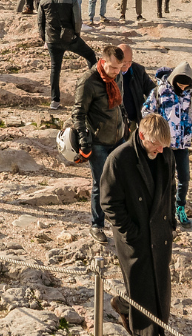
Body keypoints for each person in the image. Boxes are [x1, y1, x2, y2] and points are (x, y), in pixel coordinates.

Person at [100, 115, 177, 336]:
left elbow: (170, 188)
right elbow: (108, 202)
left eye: (164, 145)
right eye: (156, 144)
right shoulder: (119, 159)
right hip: (135, 237)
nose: (160, 150)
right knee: (142, 289)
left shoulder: (166, 154)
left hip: (160, 234)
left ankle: (128, 307)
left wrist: (171, 222)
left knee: (160, 291)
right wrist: (130, 232)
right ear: (142, 136)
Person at [72, 43, 128, 240]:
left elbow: (119, 105)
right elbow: (78, 113)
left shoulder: (118, 76)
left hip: (119, 137)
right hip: (98, 142)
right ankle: (97, 225)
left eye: (119, 68)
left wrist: (126, 127)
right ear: (102, 62)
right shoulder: (88, 81)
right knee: (101, 183)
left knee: (121, 180)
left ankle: (118, 219)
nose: (115, 72)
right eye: (112, 67)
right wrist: (83, 141)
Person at [143, 62, 192, 224]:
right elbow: (146, 112)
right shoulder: (159, 92)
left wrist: (190, 133)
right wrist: (156, 131)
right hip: (163, 144)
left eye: (186, 85)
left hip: (182, 144)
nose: (182, 87)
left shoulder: (190, 94)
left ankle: (180, 207)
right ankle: (163, 210)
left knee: (184, 178)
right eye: (179, 84)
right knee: (164, 178)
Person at [40, 0, 94, 109]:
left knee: (55, 68)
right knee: (90, 55)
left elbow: (40, 23)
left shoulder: (44, 0)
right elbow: (77, 21)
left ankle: (55, 101)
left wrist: (45, 38)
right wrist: (76, 35)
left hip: (52, 39)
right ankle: (95, 88)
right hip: (70, 38)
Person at [116, 44, 154, 134]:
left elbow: (152, 90)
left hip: (133, 119)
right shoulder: (110, 73)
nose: (127, 65)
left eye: (129, 62)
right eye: (124, 62)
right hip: (115, 122)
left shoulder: (138, 71)